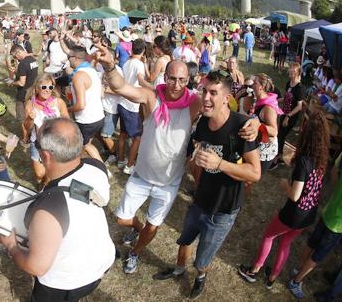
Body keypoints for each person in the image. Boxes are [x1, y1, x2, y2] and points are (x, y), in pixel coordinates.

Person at [153, 71, 261, 299]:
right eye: (204, 91)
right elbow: (198, 153)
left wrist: (220, 163)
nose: (206, 97)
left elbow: (255, 173)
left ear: (226, 97)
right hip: (200, 199)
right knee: (185, 239)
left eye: (213, 92)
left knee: (203, 257)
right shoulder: (202, 122)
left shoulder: (242, 127)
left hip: (223, 210)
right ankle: (179, 269)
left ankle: (200, 276)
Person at [98, 45, 202, 274]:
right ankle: (136, 227)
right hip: (142, 176)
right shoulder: (151, 96)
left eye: (182, 80)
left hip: (169, 183)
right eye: (172, 79)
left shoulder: (195, 103)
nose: (176, 85)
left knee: (153, 227)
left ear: (188, 80)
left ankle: (134, 252)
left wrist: (253, 124)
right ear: (165, 77)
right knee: (122, 219)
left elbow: (223, 108)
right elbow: (121, 87)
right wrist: (109, 66)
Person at [0, 118, 115, 302]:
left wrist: (10, 245)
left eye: (36, 144)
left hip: (65, 283)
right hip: (101, 263)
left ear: (46, 155)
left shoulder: (48, 210)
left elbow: (37, 267)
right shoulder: (96, 167)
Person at [238, 109, 330, 290]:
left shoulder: (304, 161)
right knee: (285, 242)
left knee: (269, 236)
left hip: (295, 213)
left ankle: (253, 271)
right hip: (309, 214)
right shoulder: (322, 158)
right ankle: (272, 278)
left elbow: (295, 194)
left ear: (307, 134)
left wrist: (283, 184)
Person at [286, 147, 342, 299]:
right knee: (317, 255)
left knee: (311, 243)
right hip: (338, 225)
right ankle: (296, 282)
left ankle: (297, 269)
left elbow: (333, 174)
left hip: (329, 210)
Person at [23, 74, 69, 183]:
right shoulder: (30, 105)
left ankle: (45, 188)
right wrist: (30, 118)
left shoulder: (59, 103)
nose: (47, 90)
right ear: (37, 88)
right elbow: (27, 127)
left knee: (51, 171)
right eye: (44, 87)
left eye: (50, 87)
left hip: (55, 143)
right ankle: (43, 181)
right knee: (39, 174)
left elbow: (67, 121)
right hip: (38, 143)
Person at [67, 46, 104, 161]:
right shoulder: (91, 70)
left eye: (69, 57)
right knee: (87, 145)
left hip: (86, 120)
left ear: (75, 58)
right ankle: (102, 169)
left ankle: (101, 171)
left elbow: (80, 105)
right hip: (98, 116)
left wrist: (67, 109)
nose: (68, 60)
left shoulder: (79, 76)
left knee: (82, 148)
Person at [117, 40, 146, 174]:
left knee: (123, 133)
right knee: (137, 137)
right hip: (131, 105)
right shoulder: (139, 64)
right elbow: (140, 79)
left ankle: (121, 159)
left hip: (122, 101)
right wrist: (151, 88)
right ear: (143, 50)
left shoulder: (127, 62)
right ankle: (130, 165)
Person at [271, 63, 305, 170]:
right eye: (290, 69)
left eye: (294, 70)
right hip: (284, 113)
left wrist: (288, 116)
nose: (291, 71)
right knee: (280, 134)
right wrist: (273, 100)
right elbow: (286, 98)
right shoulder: (288, 83)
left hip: (291, 116)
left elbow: (299, 106)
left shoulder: (299, 88)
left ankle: (278, 157)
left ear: (298, 73)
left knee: (280, 135)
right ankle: (279, 156)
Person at [251, 74, 282, 177]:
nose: (252, 85)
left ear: (261, 87)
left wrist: (257, 125)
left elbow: (274, 131)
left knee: (251, 179)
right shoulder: (259, 100)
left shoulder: (268, 107)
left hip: (265, 151)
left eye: (255, 83)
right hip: (258, 145)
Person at [9, 44, 38, 122]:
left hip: (23, 93)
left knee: (22, 116)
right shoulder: (33, 60)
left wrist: (12, 83)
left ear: (18, 52)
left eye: (15, 56)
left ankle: (23, 131)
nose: (15, 58)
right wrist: (15, 71)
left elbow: (21, 83)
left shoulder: (22, 64)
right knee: (32, 114)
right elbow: (29, 73)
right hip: (32, 91)